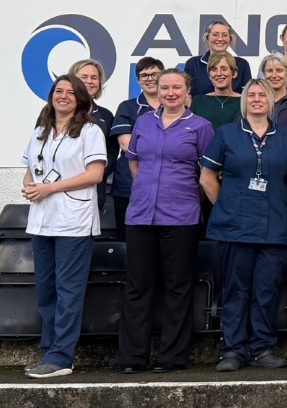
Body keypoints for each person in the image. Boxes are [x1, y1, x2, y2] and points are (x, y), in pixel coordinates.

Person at [118, 69, 215, 374]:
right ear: (157, 91)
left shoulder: (201, 126)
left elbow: (208, 173)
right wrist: (145, 186)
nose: (170, 93)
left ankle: (172, 358)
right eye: (165, 88)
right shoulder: (144, 122)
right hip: (140, 215)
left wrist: (187, 196)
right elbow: (133, 159)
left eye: (177, 88)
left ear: (187, 92)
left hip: (181, 217)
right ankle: (133, 358)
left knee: (178, 287)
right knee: (137, 286)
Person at [201, 78, 287, 372]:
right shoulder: (227, 133)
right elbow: (207, 177)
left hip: (274, 225)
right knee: (235, 289)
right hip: (235, 225)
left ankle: (262, 348)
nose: (256, 99)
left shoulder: (286, 135)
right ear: (244, 101)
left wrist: (279, 199)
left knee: (266, 290)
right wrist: (229, 205)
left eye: (262, 95)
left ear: (271, 100)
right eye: (251, 95)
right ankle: (232, 349)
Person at [19, 75, 107, 379]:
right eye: (59, 91)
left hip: (73, 221)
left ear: (81, 98)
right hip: (42, 220)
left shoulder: (90, 131)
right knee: (45, 291)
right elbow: (30, 171)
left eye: (71, 92)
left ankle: (61, 357)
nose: (64, 96)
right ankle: (49, 350)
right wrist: (30, 186)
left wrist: (49, 189)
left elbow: (95, 174)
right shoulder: (41, 131)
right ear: (51, 95)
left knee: (68, 292)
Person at [110, 57, 165, 240]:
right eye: (144, 75)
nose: (149, 78)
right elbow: (127, 145)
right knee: (128, 240)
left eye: (154, 74)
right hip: (129, 184)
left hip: (166, 185)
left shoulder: (176, 108)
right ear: (138, 80)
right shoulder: (127, 107)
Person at [67, 60, 114, 212]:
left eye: (94, 78)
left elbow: (112, 151)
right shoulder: (54, 112)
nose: (89, 81)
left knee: (86, 234)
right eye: (84, 77)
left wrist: (97, 172)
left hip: (94, 189)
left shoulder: (106, 115)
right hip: (60, 188)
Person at [185, 21, 253, 94]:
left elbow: (247, 95)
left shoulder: (242, 64)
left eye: (225, 35)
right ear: (207, 38)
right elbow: (186, 94)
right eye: (215, 34)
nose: (220, 39)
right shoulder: (193, 64)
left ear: (230, 39)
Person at [190, 51, 242, 129]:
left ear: (234, 73)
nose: (218, 73)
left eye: (223, 69)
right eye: (214, 70)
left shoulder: (244, 101)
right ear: (210, 76)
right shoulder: (199, 101)